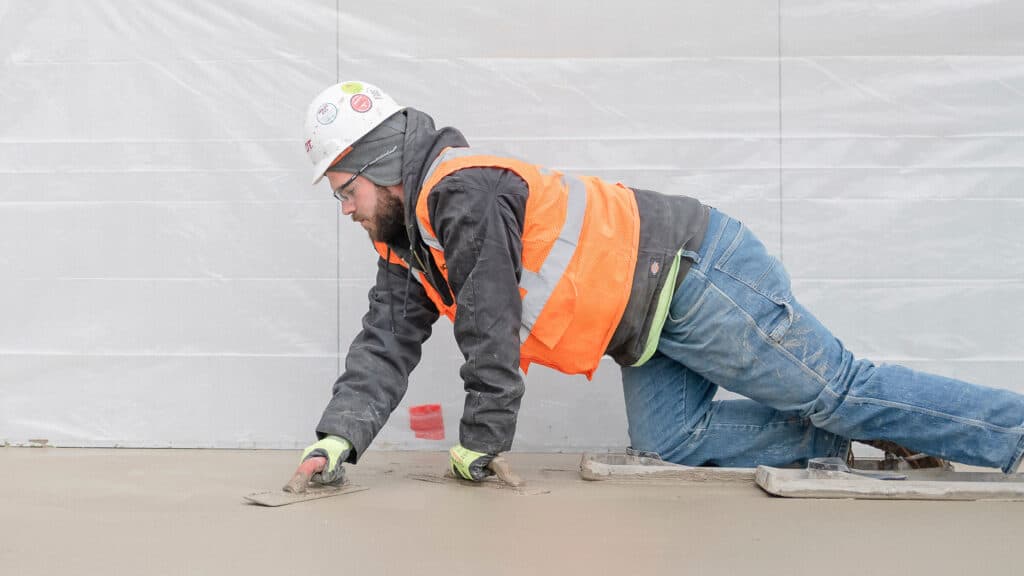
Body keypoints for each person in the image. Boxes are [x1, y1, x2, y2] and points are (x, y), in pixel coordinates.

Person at [292, 80, 1024, 485]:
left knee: (839, 388)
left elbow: (489, 323)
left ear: (381, 165)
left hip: (697, 273)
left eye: (344, 191)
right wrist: (337, 440)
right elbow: (385, 340)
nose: (345, 208)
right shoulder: (409, 241)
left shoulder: (463, 194)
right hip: (645, 325)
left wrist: (482, 441)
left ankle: (1009, 433)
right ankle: (847, 438)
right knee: (673, 438)